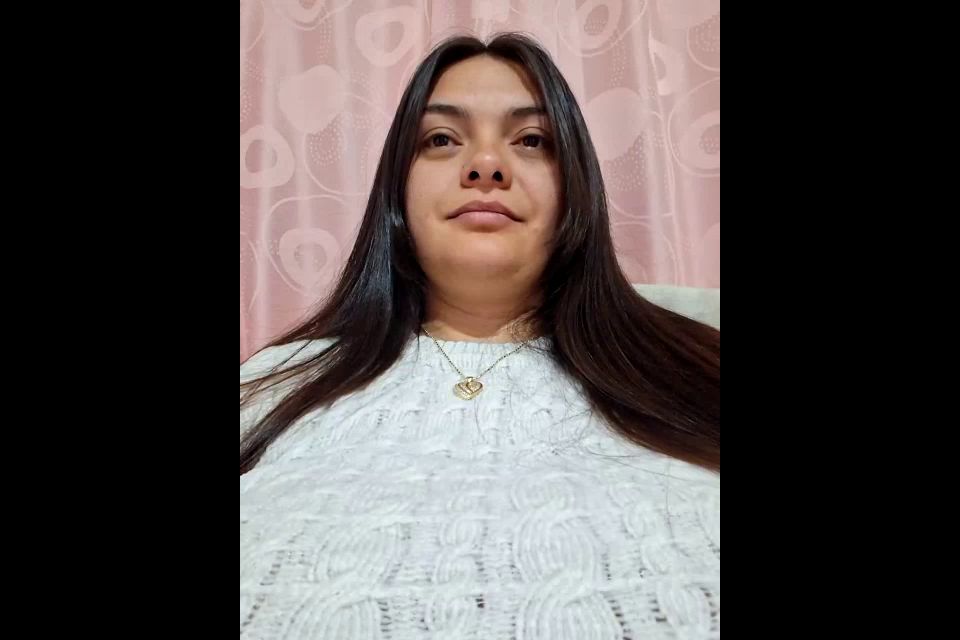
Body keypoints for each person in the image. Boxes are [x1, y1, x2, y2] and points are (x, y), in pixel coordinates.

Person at [241, 32, 720, 639]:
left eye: (532, 140)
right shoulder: (273, 385)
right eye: (442, 139)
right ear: (397, 190)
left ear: (575, 188)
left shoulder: (697, 369)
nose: (486, 165)